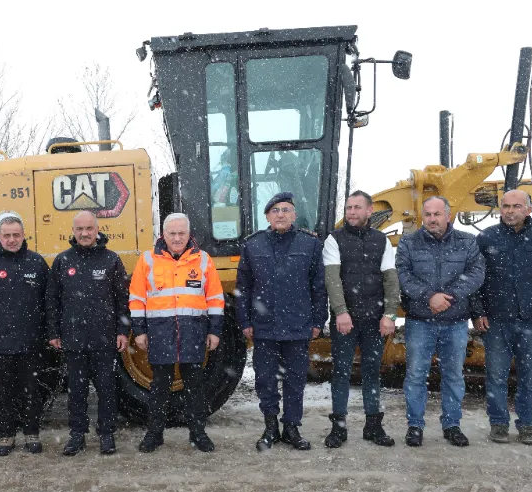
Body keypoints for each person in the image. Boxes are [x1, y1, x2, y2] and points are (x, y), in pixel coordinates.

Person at [236, 192, 327, 452]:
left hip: (298, 325)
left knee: (295, 380)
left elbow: (318, 286)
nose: (280, 214)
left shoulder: (309, 244)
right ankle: (270, 427)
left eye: (286, 210)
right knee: (265, 380)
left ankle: (291, 428)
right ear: (267, 216)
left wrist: (319, 319)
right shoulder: (253, 245)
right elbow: (244, 287)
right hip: (264, 327)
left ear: (294, 215)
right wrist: (244, 321)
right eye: (275, 210)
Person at [129, 213, 224, 453]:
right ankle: (154, 434)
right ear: (163, 234)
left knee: (195, 387)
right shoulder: (148, 260)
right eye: (172, 233)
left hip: (193, 333)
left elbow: (215, 298)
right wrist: (139, 331)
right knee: (160, 387)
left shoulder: (203, 260)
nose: (177, 238)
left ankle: (198, 433)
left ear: (189, 234)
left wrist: (214, 330)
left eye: (182, 233)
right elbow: (137, 299)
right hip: (160, 334)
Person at [396, 196, 485, 447]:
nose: (432, 219)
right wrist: (429, 297)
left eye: (437, 214)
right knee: (415, 375)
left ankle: (452, 425)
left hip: (455, 321)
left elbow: (476, 273)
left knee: (454, 375)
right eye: (427, 214)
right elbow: (403, 274)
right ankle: (415, 426)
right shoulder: (409, 242)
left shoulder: (467, 242)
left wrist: (450, 296)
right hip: (420, 321)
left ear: (448, 215)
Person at [471, 190, 532, 446]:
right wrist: (477, 311)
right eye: (505, 206)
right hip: (496, 319)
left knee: (530, 376)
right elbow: (475, 278)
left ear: (529, 209)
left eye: (516, 206)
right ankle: (498, 423)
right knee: (496, 376)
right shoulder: (486, 238)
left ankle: (528, 425)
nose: (510, 211)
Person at [47, 211, 130, 456]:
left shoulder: (111, 260)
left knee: (106, 388)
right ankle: (77, 435)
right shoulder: (62, 261)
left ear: (97, 230)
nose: (84, 233)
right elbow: (52, 299)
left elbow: (122, 300)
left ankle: (106, 434)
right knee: (77, 390)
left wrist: (122, 331)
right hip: (72, 339)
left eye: (89, 229)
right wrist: (54, 331)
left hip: (104, 339)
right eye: (79, 229)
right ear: (73, 231)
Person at [322, 190, 399, 448]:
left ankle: (373, 427)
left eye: (357, 208)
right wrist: (341, 312)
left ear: (369, 211)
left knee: (372, 372)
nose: (351, 212)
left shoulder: (381, 241)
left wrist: (389, 314)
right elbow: (332, 280)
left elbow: (390, 279)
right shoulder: (334, 239)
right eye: (348, 208)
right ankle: (339, 429)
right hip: (345, 320)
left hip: (374, 320)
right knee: (341, 372)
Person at [0, 211, 51, 456]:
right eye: (7, 235)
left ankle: (31, 433)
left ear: (24, 235)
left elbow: (49, 301)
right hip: (0, 341)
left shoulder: (36, 263)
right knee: (4, 391)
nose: (12, 239)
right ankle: (6, 436)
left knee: (31, 390)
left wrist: (50, 333)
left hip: (31, 341)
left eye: (16, 235)